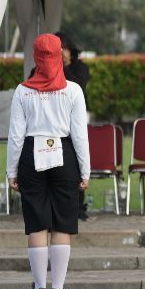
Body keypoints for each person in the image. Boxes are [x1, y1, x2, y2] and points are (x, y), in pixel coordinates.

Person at [8, 34, 91, 289]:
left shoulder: (23, 91)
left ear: (35, 57)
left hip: (31, 155)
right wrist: (85, 170)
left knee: (37, 222)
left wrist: (12, 171)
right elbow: (79, 135)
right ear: (59, 55)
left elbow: (16, 136)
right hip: (64, 154)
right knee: (62, 221)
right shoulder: (73, 90)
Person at [57, 32, 91, 221]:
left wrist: (63, 67)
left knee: (78, 161)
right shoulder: (40, 70)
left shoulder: (80, 68)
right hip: (55, 123)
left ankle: (78, 205)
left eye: (65, 48)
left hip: (74, 121)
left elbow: (78, 86)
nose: (62, 52)